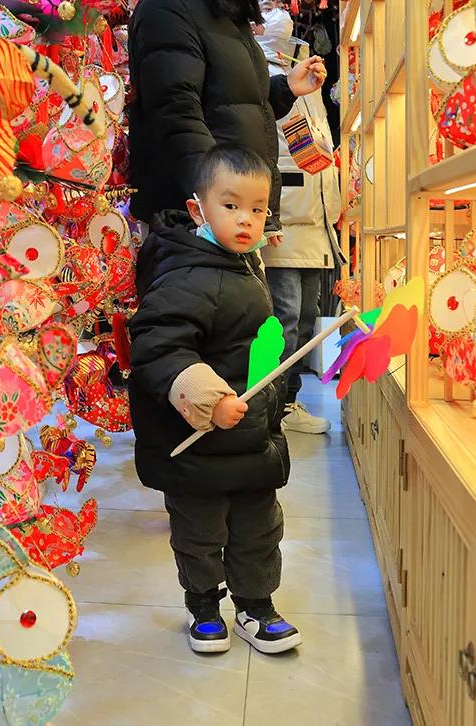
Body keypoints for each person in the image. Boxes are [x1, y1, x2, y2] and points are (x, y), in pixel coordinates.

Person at [128, 144, 300, 655]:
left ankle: (256, 606)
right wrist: (208, 398)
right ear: (198, 209)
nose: (246, 219)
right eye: (231, 205)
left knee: (258, 529)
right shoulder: (188, 274)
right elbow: (159, 345)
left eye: (258, 208)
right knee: (200, 532)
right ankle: (204, 605)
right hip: (200, 440)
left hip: (251, 438)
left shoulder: (243, 265)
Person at [127, 0, 327, 239]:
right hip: (196, 221)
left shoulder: (227, 13)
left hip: (228, 211)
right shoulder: (170, 9)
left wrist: (285, 88)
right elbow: (176, 114)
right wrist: (221, 198)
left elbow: (233, 107)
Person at [255, 2, 344, 434]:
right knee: (283, 321)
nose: (279, 12)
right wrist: (268, 217)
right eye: (268, 6)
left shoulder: (301, 67)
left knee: (304, 320)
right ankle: (270, 407)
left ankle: (286, 402)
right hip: (285, 218)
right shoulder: (259, 72)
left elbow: (316, 146)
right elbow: (272, 151)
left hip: (313, 217)